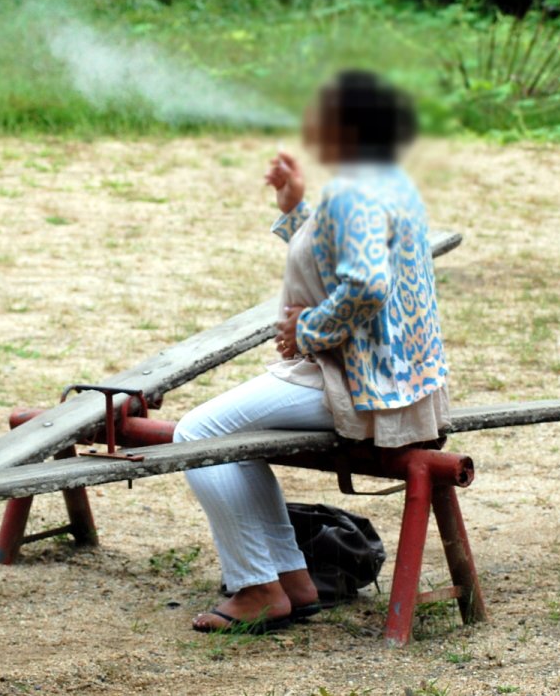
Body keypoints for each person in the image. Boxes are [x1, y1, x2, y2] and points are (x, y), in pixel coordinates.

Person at [175, 70, 451, 634]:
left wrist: (309, 332)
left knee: (197, 434)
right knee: (231, 437)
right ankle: (292, 581)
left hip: (358, 385)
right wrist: (296, 208)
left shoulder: (355, 191)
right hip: (391, 383)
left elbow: (368, 285)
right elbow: (339, 254)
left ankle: (257, 587)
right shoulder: (386, 181)